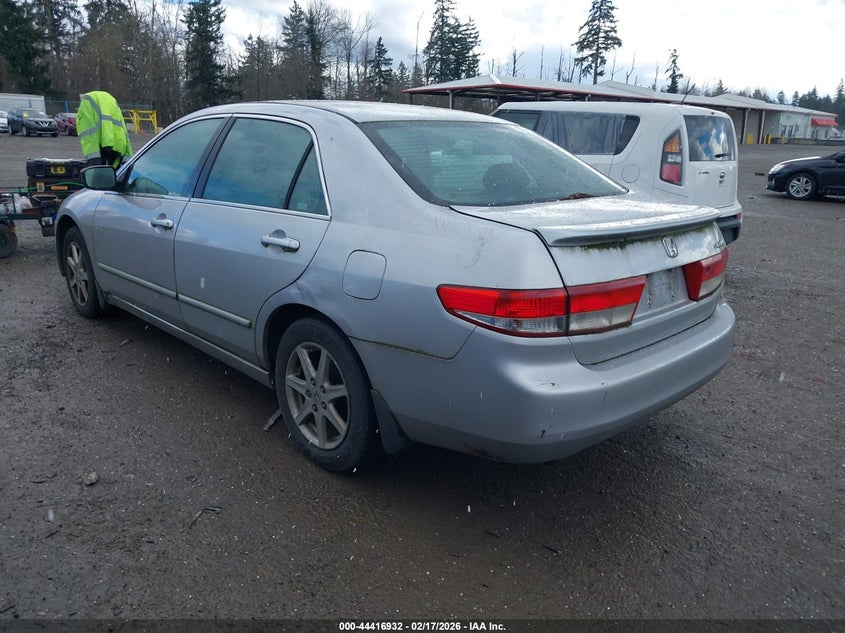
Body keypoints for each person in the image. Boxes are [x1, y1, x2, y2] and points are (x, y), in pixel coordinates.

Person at [76, 91, 133, 168]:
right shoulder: (111, 101)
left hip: (99, 152)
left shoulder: (86, 103)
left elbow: (89, 137)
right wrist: (127, 159)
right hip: (119, 149)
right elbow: (123, 131)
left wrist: (94, 164)